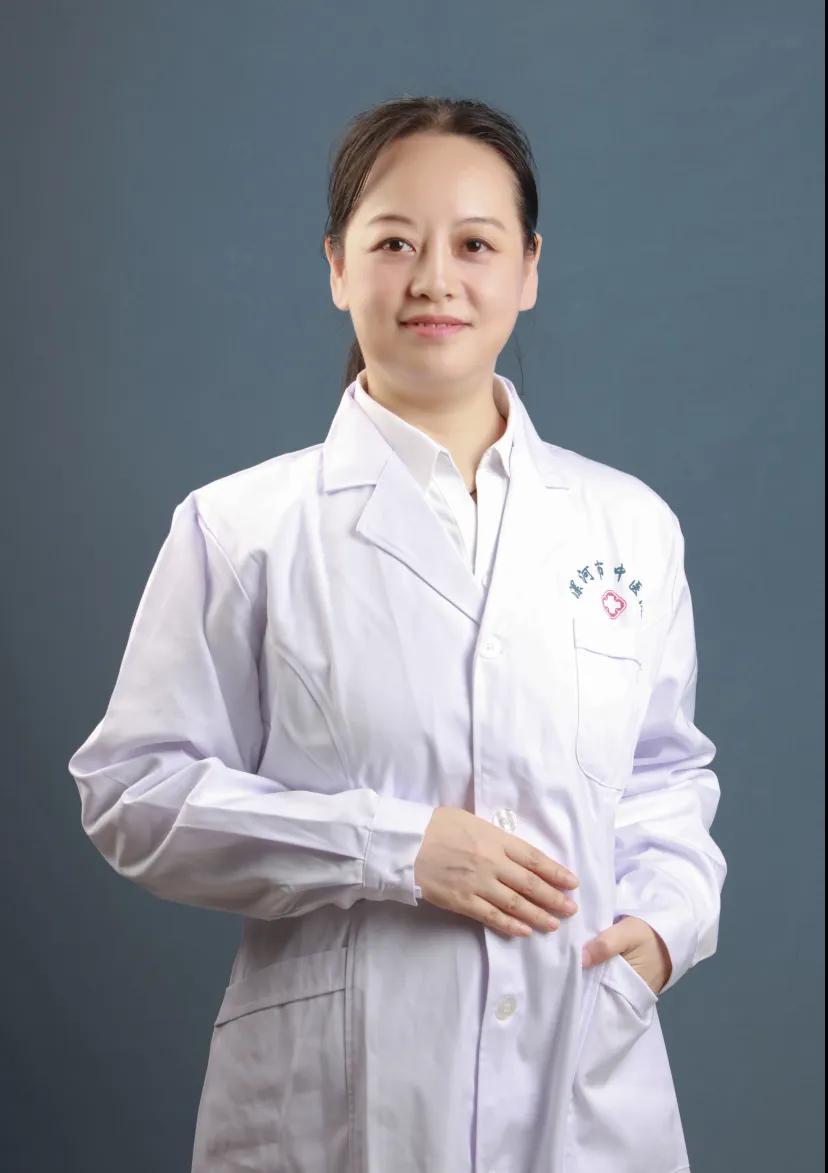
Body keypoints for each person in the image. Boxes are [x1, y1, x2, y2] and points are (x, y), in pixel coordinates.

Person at [67, 96, 726, 1173]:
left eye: (476, 244)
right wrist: (390, 847)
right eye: (394, 243)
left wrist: (660, 932)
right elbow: (133, 792)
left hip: (584, 1076)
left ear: (529, 270)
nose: (434, 279)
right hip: (338, 1103)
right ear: (337, 266)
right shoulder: (243, 528)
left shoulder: (629, 525)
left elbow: (663, 776)